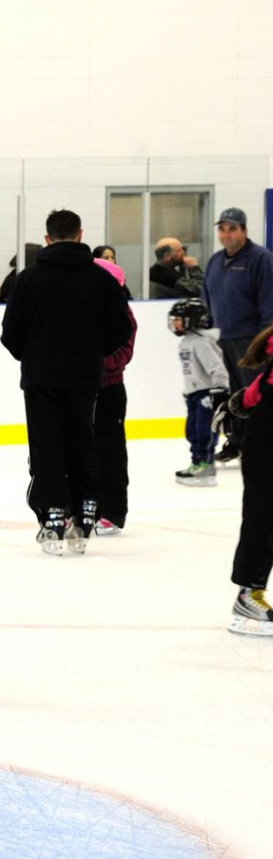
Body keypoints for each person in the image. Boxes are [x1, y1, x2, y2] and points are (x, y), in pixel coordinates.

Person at [0, 209, 132, 555]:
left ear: (47, 238)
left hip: (41, 376)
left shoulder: (28, 279)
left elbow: (10, 333)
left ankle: (54, 516)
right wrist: (90, 354)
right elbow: (121, 328)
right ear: (79, 234)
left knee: (47, 445)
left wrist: (34, 356)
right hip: (85, 376)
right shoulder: (100, 279)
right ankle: (86, 511)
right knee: (82, 440)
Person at [202, 208, 273, 464]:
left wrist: (265, 341)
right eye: (222, 229)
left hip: (251, 340)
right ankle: (236, 442)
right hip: (221, 339)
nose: (226, 234)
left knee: (254, 393)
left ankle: (259, 442)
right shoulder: (215, 261)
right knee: (231, 394)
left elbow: (269, 301)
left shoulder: (260, 259)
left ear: (244, 230)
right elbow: (207, 297)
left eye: (232, 228)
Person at [216, 323, 273, 636]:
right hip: (266, 438)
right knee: (263, 512)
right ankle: (248, 593)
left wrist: (242, 402)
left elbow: (261, 385)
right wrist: (243, 404)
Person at [91, 257, 137, 536]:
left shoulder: (123, 315)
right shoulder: (87, 309)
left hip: (110, 390)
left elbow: (122, 354)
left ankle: (113, 510)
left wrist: (91, 362)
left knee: (111, 452)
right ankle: (91, 506)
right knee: (87, 451)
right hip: (84, 389)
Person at [168, 297, 229, 487]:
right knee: (192, 431)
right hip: (194, 394)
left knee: (204, 431)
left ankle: (206, 465)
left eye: (179, 319)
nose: (175, 323)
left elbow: (217, 369)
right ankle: (197, 462)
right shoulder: (187, 342)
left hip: (207, 394)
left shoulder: (202, 342)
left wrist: (218, 392)